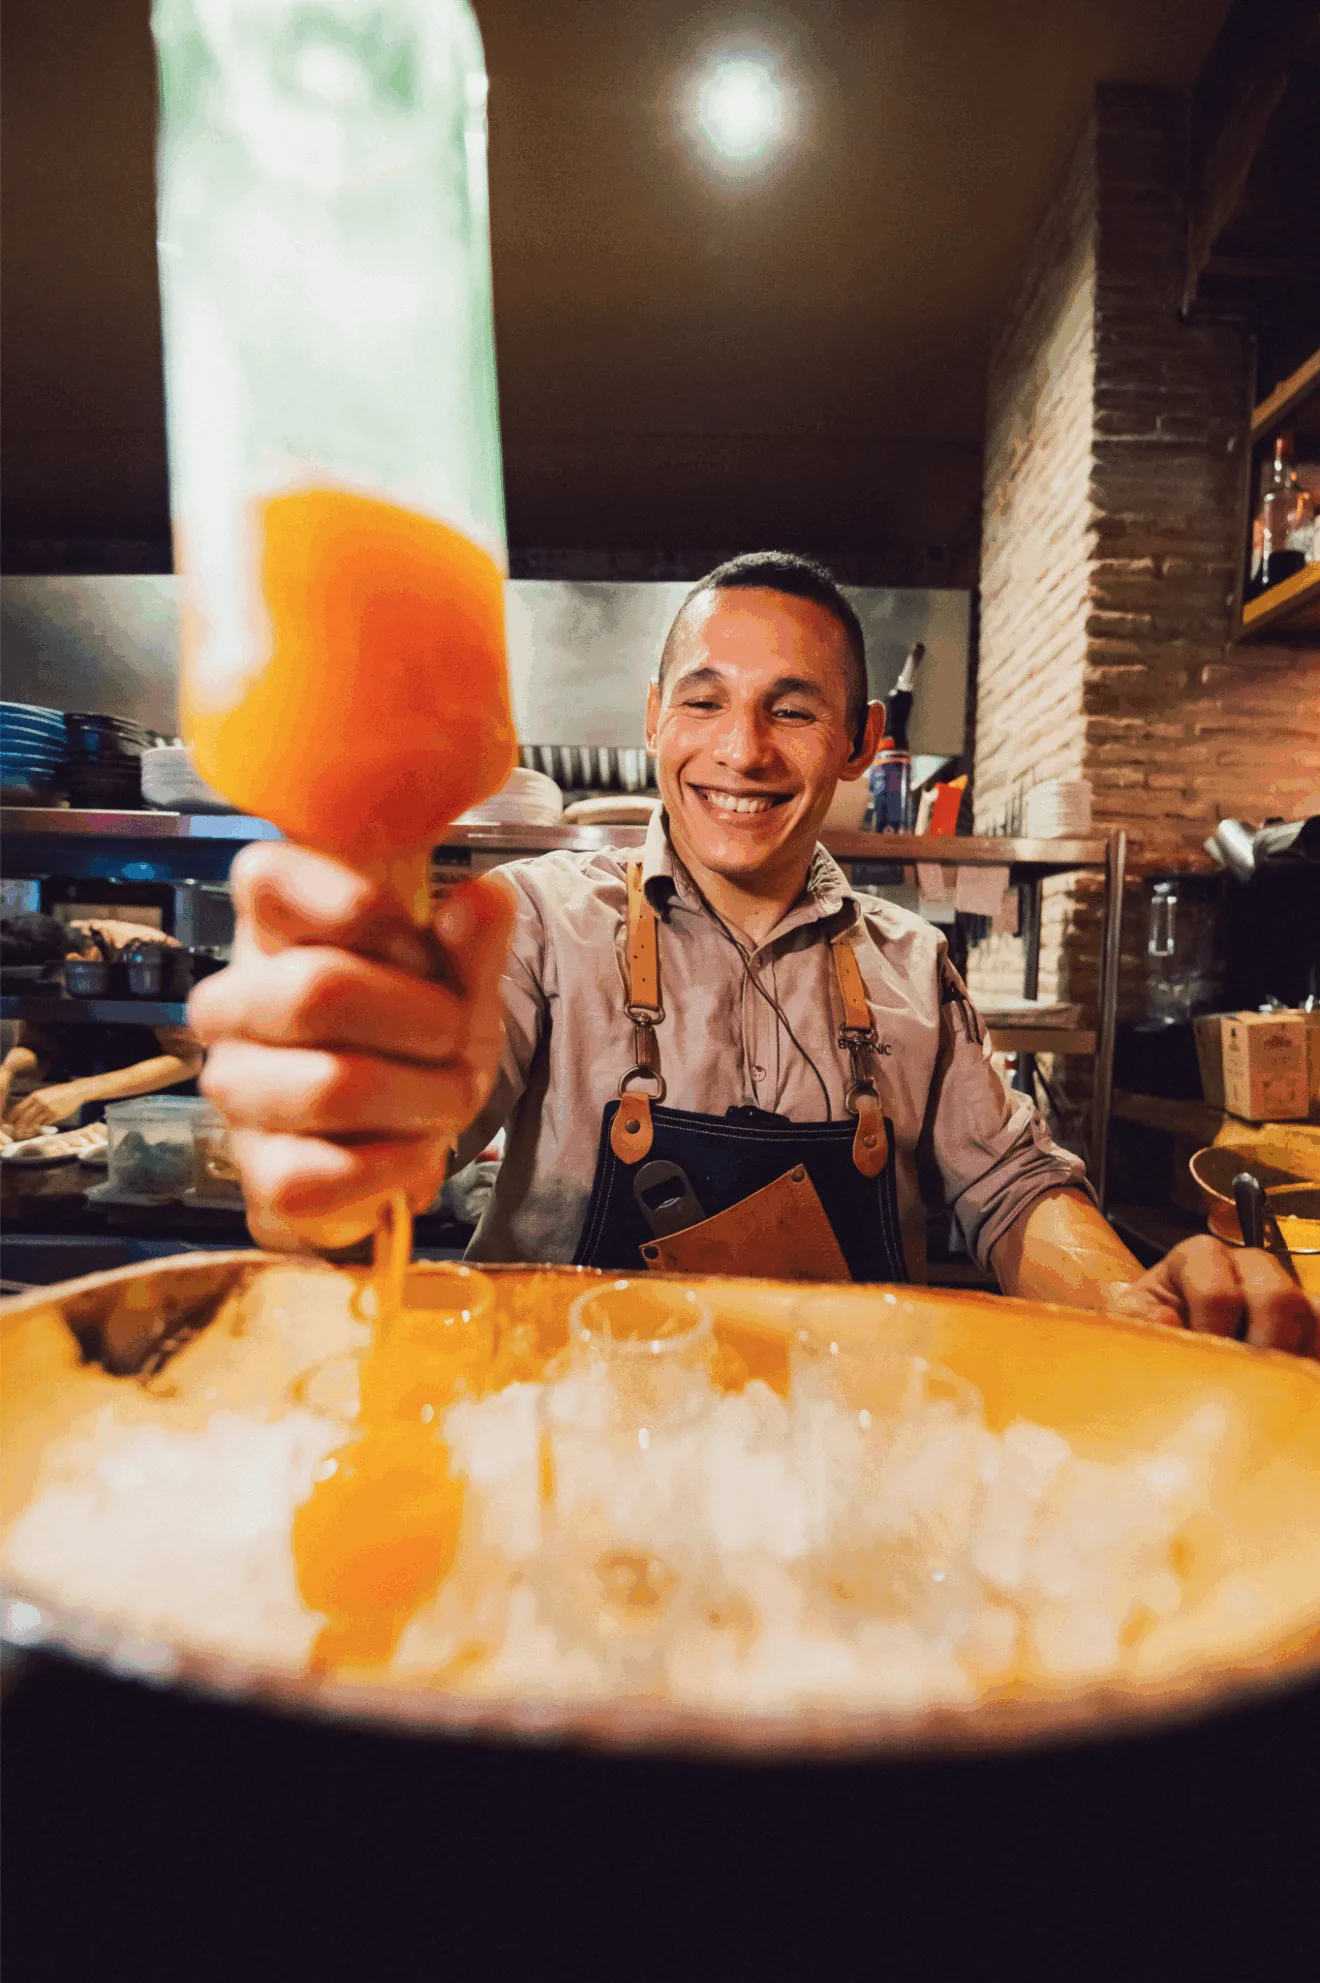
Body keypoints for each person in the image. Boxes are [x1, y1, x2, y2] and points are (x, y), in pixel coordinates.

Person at [191, 553, 1317, 1353]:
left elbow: (1015, 1194)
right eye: (705, 702)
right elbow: (402, 1146)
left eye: (791, 710)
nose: (741, 751)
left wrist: (1132, 1305)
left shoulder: (915, 968)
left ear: (857, 742)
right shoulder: (535, 923)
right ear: (652, 719)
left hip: (843, 1490)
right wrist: (332, 1144)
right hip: (553, 1477)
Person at [0, 914, 204, 1138]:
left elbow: (188, 1060)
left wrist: (78, 1090)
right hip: (104, 1088)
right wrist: (7, 1070)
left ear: (75, 961)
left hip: (172, 1102)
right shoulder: (44, 958)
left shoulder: (147, 955)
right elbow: (41, 1046)